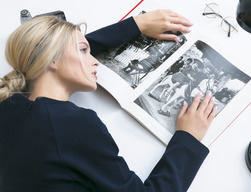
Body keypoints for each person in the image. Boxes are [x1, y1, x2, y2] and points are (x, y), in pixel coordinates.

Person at [0, 10, 217, 192]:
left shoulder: (9, 108)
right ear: (51, 59)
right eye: (84, 51)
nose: (96, 61)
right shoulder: (71, 124)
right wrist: (187, 139)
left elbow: (48, 53)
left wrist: (137, 25)